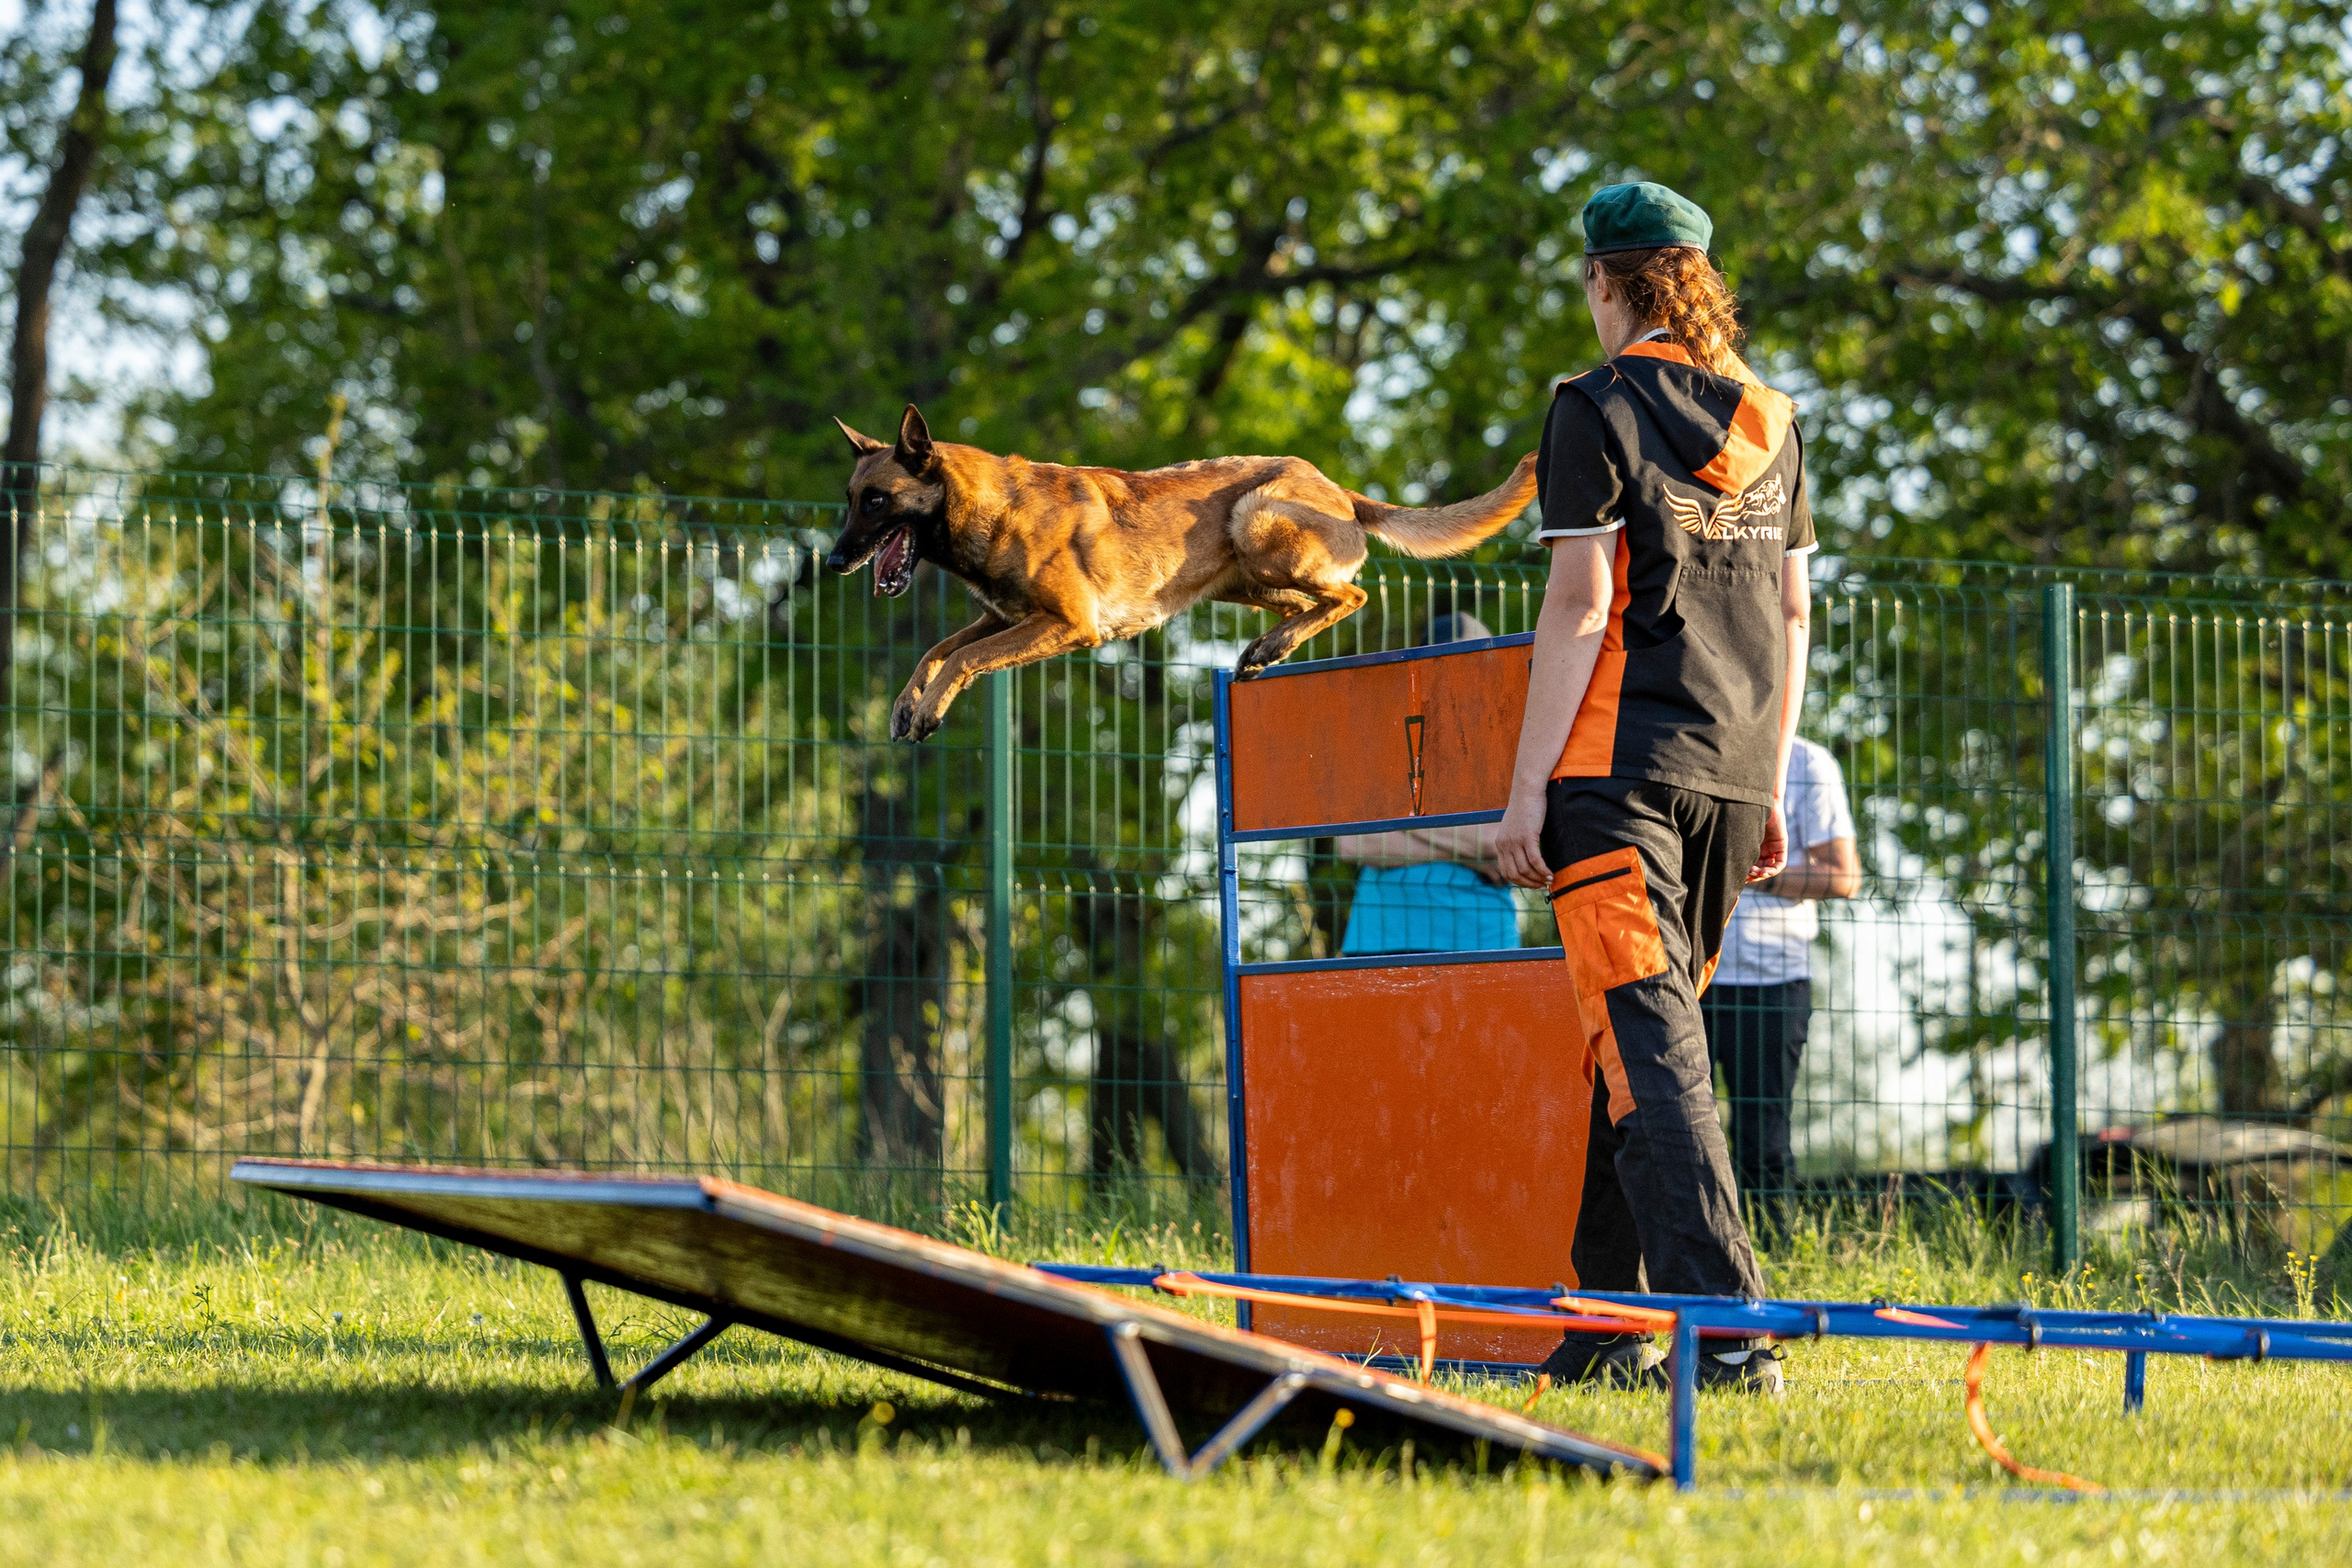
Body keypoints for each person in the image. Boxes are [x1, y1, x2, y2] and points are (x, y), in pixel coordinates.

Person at [1492, 182, 1816, 1395]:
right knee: (1634, 1038)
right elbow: (1792, 613)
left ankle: (1727, 1332)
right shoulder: (1776, 422)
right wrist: (1771, 781)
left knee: (1650, 1048)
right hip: (1731, 778)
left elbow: (1581, 603)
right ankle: (1605, 1320)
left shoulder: (1594, 406)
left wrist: (1525, 792)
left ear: (1604, 280)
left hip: (1614, 777)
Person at [1702, 735, 1859, 1213]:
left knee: (1764, 1143)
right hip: (1686, 973)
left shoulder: (1809, 763)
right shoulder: (1691, 742)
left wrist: (1748, 870)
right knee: (1674, 1135)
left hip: (1773, 982)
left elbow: (1844, 876)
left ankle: (1772, 1248)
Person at [1335, 613, 1521, 956]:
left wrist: (1401, 823)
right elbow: (1354, 842)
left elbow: (1504, 841)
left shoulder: (1509, 745)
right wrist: (1473, 857)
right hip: (1383, 935)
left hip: (1482, 936)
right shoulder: (1387, 735)